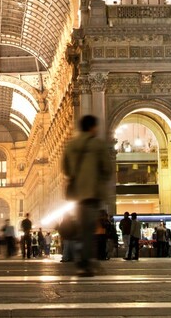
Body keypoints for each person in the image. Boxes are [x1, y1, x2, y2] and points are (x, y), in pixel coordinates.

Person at [62, 113, 112, 277]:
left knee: (82, 228)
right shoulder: (97, 144)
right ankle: (86, 263)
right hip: (92, 193)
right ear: (92, 127)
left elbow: (65, 169)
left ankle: (82, 260)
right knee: (89, 229)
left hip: (77, 194)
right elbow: (107, 168)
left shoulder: (71, 145)